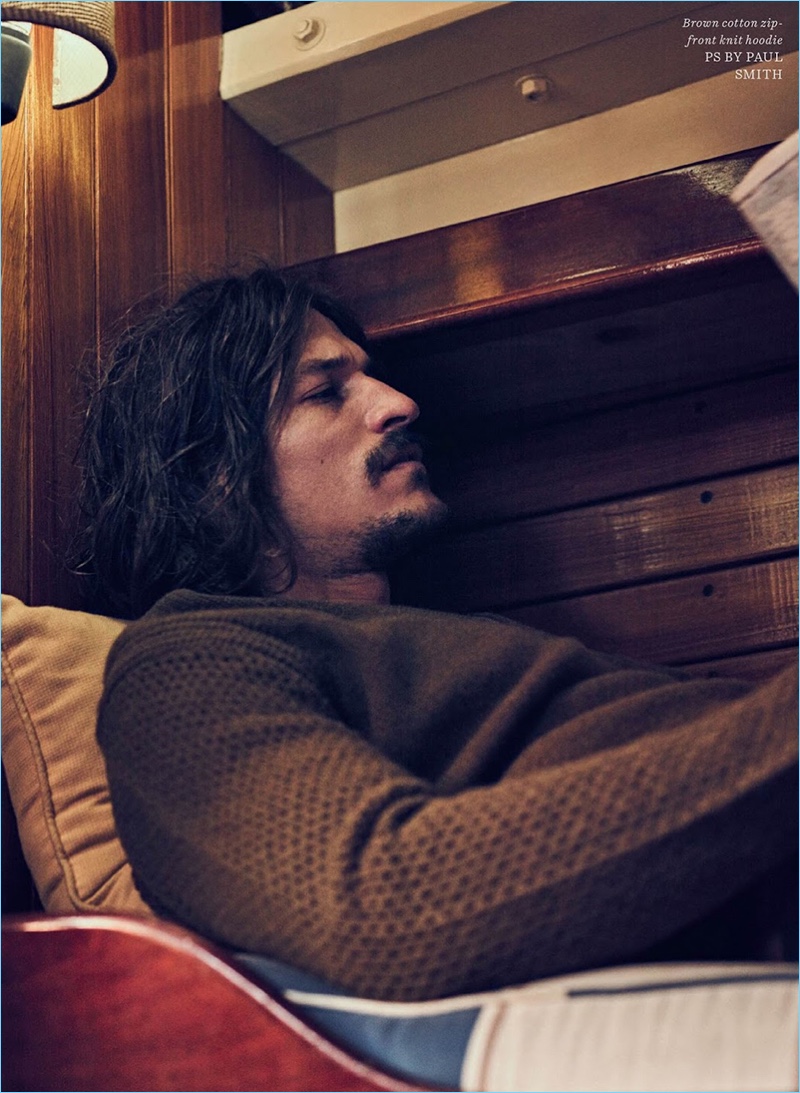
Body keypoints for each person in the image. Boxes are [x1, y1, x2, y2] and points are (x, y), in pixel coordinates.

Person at [80, 265, 797, 1005]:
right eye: (326, 392)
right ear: (215, 475)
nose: (400, 403)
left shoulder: (449, 640)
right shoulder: (183, 661)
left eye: (370, 378)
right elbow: (379, 909)